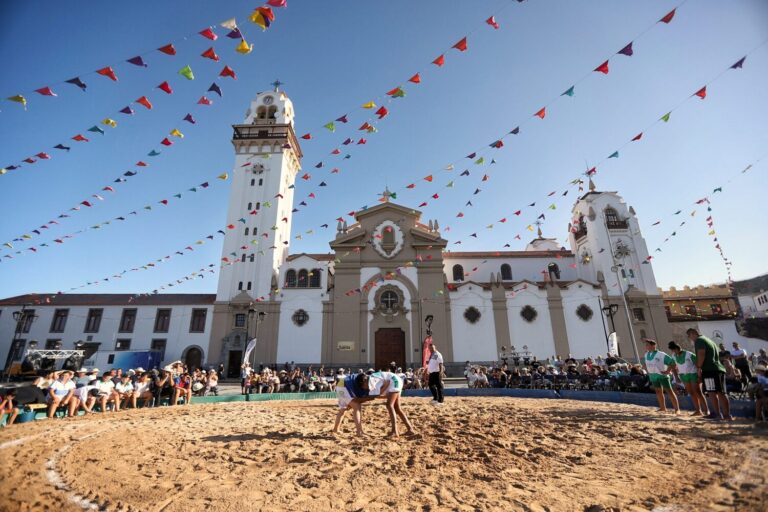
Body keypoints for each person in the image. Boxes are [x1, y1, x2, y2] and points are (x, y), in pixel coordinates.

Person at [688, 328, 732, 421]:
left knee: (714, 392)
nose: (690, 338)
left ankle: (719, 414)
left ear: (693, 333)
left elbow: (701, 354)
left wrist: (698, 367)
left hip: (709, 370)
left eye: (689, 336)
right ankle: (725, 415)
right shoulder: (709, 340)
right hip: (717, 369)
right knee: (720, 392)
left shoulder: (699, 340)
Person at [360, 371, 417, 438]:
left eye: (363, 386)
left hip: (394, 381)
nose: (364, 388)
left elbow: (384, 386)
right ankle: (410, 429)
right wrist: (387, 393)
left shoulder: (372, 380)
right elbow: (377, 395)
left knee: (389, 405)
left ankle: (394, 431)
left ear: (364, 381)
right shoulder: (371, 379)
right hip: (395, 380)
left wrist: (385, 389)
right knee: (397, 408)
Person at [668, 341, 708, 416]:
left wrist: (700, 376)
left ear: (677, 348)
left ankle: (706, 410)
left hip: (693, 374)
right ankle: (698, 410)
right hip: (683, 376)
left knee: (698, 392)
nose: (673, 351)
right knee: (691, 393)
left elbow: (698, 365)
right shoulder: (673, 355)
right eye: (672, 350)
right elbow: (673, 367)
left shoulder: (689, 354)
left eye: (674, 350)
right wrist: (676, 377)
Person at [642, 339, 679, 414]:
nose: (646, 346)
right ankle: (663, 408)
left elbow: (672, 362)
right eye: (646, 345)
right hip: (653, 376)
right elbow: (644, 363)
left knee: (669, 392)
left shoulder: (661, 354)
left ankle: (677, 409)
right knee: (658, 392)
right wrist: (647, 371)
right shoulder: (646, 354)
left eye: (647, 345)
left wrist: (668, 371)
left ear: (653, 345)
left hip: (662, 376)